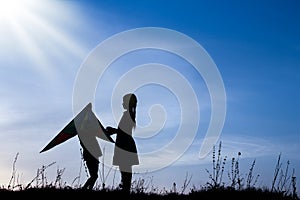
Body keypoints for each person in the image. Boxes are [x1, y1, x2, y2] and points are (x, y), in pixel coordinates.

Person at [106, 93, 139, 194]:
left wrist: (113, 130)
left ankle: (126, 190)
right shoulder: (130, 114)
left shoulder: (127, 115)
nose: (122, 103)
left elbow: (123, 131)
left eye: (124, 101)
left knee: (125, 170)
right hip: (125, 144)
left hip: (125, 145)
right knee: (125, 170)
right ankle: (125, 189)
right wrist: (115, 131)